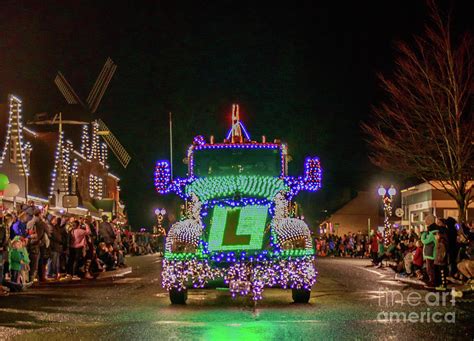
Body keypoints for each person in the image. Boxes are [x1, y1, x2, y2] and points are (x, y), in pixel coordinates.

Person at [421, 214, 437, 288]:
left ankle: (432, 281)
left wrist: (423, 235)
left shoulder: (432, 232)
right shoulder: (434, 231)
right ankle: (431, 280)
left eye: (426, 221)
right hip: (430, 253)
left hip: (431, 253)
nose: (425, 222)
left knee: (430, 268)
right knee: (430, 268)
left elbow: (425, 241)